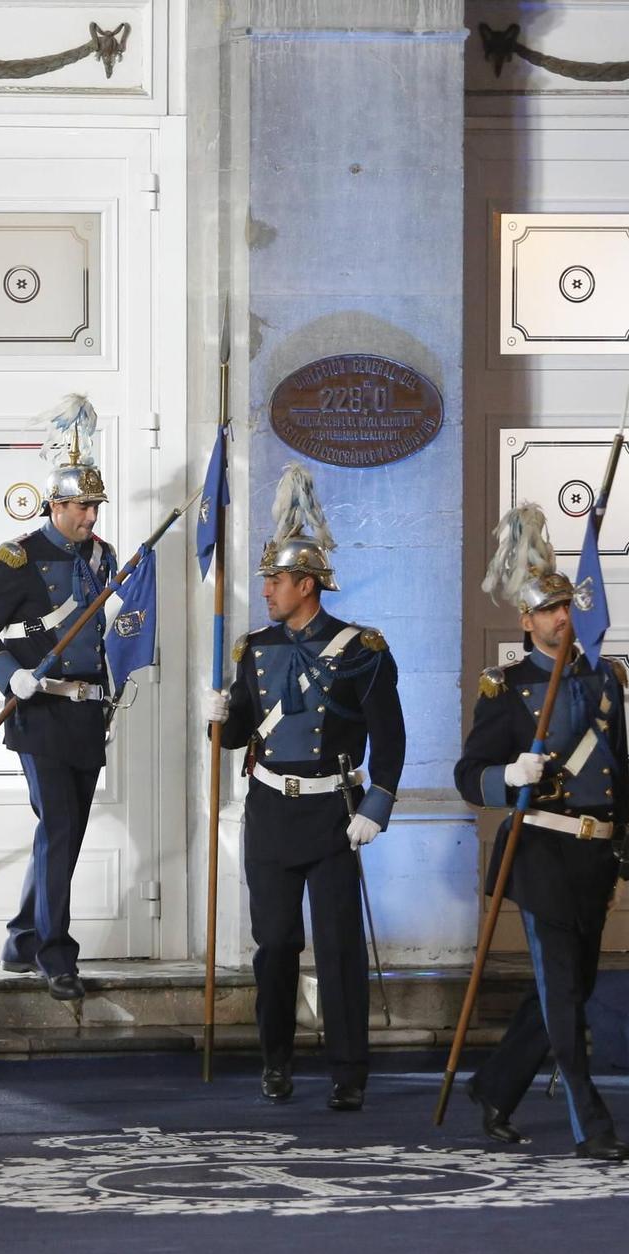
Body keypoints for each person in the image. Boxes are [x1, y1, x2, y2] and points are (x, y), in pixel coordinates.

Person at [205, 464, 404, 1110]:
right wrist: (219, 719)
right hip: (269, 811)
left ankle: (348, 1068)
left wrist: (378, 802)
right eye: (266, 579)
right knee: (276, 945)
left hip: (332, 813)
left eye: (276, 579)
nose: (265, 590)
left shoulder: (362, 649)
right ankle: (276, 1058)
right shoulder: (251, 648)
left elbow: (392, 736)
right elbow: (239, 733)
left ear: (307, 584)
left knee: (340, 946)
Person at [455, 502, 629, 1161]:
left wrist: (621, 854)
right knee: (564, 993)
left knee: (572, 988)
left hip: (591, 854)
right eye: (549, 610)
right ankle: (592, 1122)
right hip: (540, 852)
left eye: (567, 606)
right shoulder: (504, 689)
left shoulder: (604, 680)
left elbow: (619, 774)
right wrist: (510, 770)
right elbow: (467, 775)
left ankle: (496, 1088)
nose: (563, 617)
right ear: (526, 620)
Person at [0, 395, 117, 1002]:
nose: (91, 516)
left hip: (85, 714)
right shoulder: (17, 560)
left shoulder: (102, 558)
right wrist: (9, 676)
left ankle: (23, 936)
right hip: (40, 712)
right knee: (58, 824)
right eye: (83, 506)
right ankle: (56, 953)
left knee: (67, 831)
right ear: (56, 503)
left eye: (96, 506)